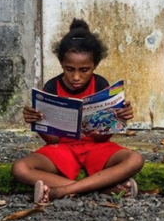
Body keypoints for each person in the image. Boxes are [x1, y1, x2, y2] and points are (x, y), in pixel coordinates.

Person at [12, 18, 144, 203]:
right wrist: (37, 121)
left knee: (135, 159)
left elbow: (101, 137)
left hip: (96, 147)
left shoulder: (101, 84)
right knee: (20, 168)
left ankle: (61, 191)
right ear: (61, 64)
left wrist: (116, 119)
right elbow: (53, 140)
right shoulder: (51, 87)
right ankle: (101, 187)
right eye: (69, 69)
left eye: (84, 70)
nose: (76, 77)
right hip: (62, 148)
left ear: (95, 66)